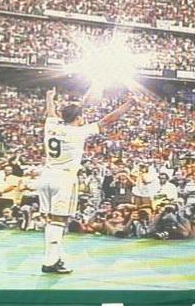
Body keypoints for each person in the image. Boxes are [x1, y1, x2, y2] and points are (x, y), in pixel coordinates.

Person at [36, 88, 133, 274]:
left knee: (51, 220)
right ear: (78, 117)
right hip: (64, 178)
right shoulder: (78, 132)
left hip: (46, 175)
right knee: (58, 221)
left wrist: (49, 98)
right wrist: (128, 105)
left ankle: (53, 257)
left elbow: (51, 112)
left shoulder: (52, 125)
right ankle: (50, 262)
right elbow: (108, 120)